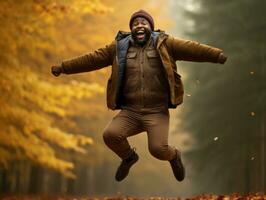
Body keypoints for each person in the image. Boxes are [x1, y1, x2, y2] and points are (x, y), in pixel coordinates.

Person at [51, 10, 227, 182]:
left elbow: (192, 49)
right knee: (110, 135)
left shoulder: (165, 43)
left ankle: (174, 156)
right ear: (131, 29)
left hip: (156, 111)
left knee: (158, 150)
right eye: (135, 24)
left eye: (143, 23)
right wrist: (64, 67)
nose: (139, 26)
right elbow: (92, 59)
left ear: (151, 27)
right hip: (131, 112)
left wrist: (216, 55)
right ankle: (129, 158)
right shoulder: (119, 47)